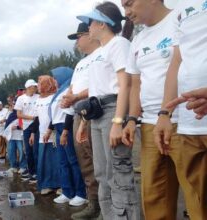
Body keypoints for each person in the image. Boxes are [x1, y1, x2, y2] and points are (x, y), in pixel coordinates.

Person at [121, 0, 194, 219]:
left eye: (129, 3)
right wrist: (132, 119)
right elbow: (135, 84)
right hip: (151, 125)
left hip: (186, 120)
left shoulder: (182, 20)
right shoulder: (138, 40)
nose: (127, 12)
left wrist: (167, 113)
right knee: (154, 195)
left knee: (197, 194)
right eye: (123, 6)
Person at [76, 2, 139, 219]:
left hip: (113, 110)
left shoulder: (119, 44)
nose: (88, 27)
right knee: (102, 173)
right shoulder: (97, 54)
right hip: (97, 113)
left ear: (102, 24)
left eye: (91, 22)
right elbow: (95, 92)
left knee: (118, 174)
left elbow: (125, 84)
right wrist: (84, 122)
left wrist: (118, 121)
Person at [154, 1, 207, 219]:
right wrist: (165, 114)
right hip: (190, 124)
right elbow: (176, 61)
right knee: (198, 204)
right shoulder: (178, 5)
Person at [61, 22, 101, 219]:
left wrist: (75, 97)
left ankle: (107, 205)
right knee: (85, 161)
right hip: (79, 114)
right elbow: (73, 88)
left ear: (90, 34)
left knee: (100, 161)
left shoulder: (102, 55)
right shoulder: (80, 63)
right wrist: (67, 98)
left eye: (78, 37)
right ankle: (94, 203)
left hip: (97, 112)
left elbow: (100, 85)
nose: (76, 42)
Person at [46, 67, 88, 207]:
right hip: (58, 127)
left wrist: (64, 131)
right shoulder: (59, 93)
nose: (55, 82)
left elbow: (69, 112)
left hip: (67, 127)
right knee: (63, 162)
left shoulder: (70, 90)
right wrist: (49, 130)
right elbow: (55, 115)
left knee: (73, 161)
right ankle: (67, 191)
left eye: (56, 78)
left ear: (64, 77)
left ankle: (81, 193)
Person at [30, 75, 60, 195]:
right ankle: (47, 185)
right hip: (42, 135)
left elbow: (55, 117)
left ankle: (59, 185)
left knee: (56, 160)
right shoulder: (37, 100)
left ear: (47, 85)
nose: (38, 86)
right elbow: (36, 119)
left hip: (53, 133)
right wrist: (32, 133)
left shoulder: (54, 98)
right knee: (44, 161)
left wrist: (49, 130)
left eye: (40, 83)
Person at [14, 79, 40, 183]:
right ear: (29, 87)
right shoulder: (21, 98)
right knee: (28, 151)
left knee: (36, 150)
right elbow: (18, 114)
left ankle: (37, 173)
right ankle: (31, 171)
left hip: (37, 125)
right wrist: (32, 118)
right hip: (26, 127)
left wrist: (35, 119)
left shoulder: (38, 97)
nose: (36, 88)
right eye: (34, 86)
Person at [3, 100, 27, 175]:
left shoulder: (23, 114)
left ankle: (23, 167)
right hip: (11, 137)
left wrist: (17, 127)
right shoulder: (11, 115)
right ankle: (13, 166)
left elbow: (25, 125)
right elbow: (6, 126)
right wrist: (7, 133)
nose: (13, 106)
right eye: (13, 105)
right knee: (11, 152)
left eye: (15, 104)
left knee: (21, 152)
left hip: (20, 137)